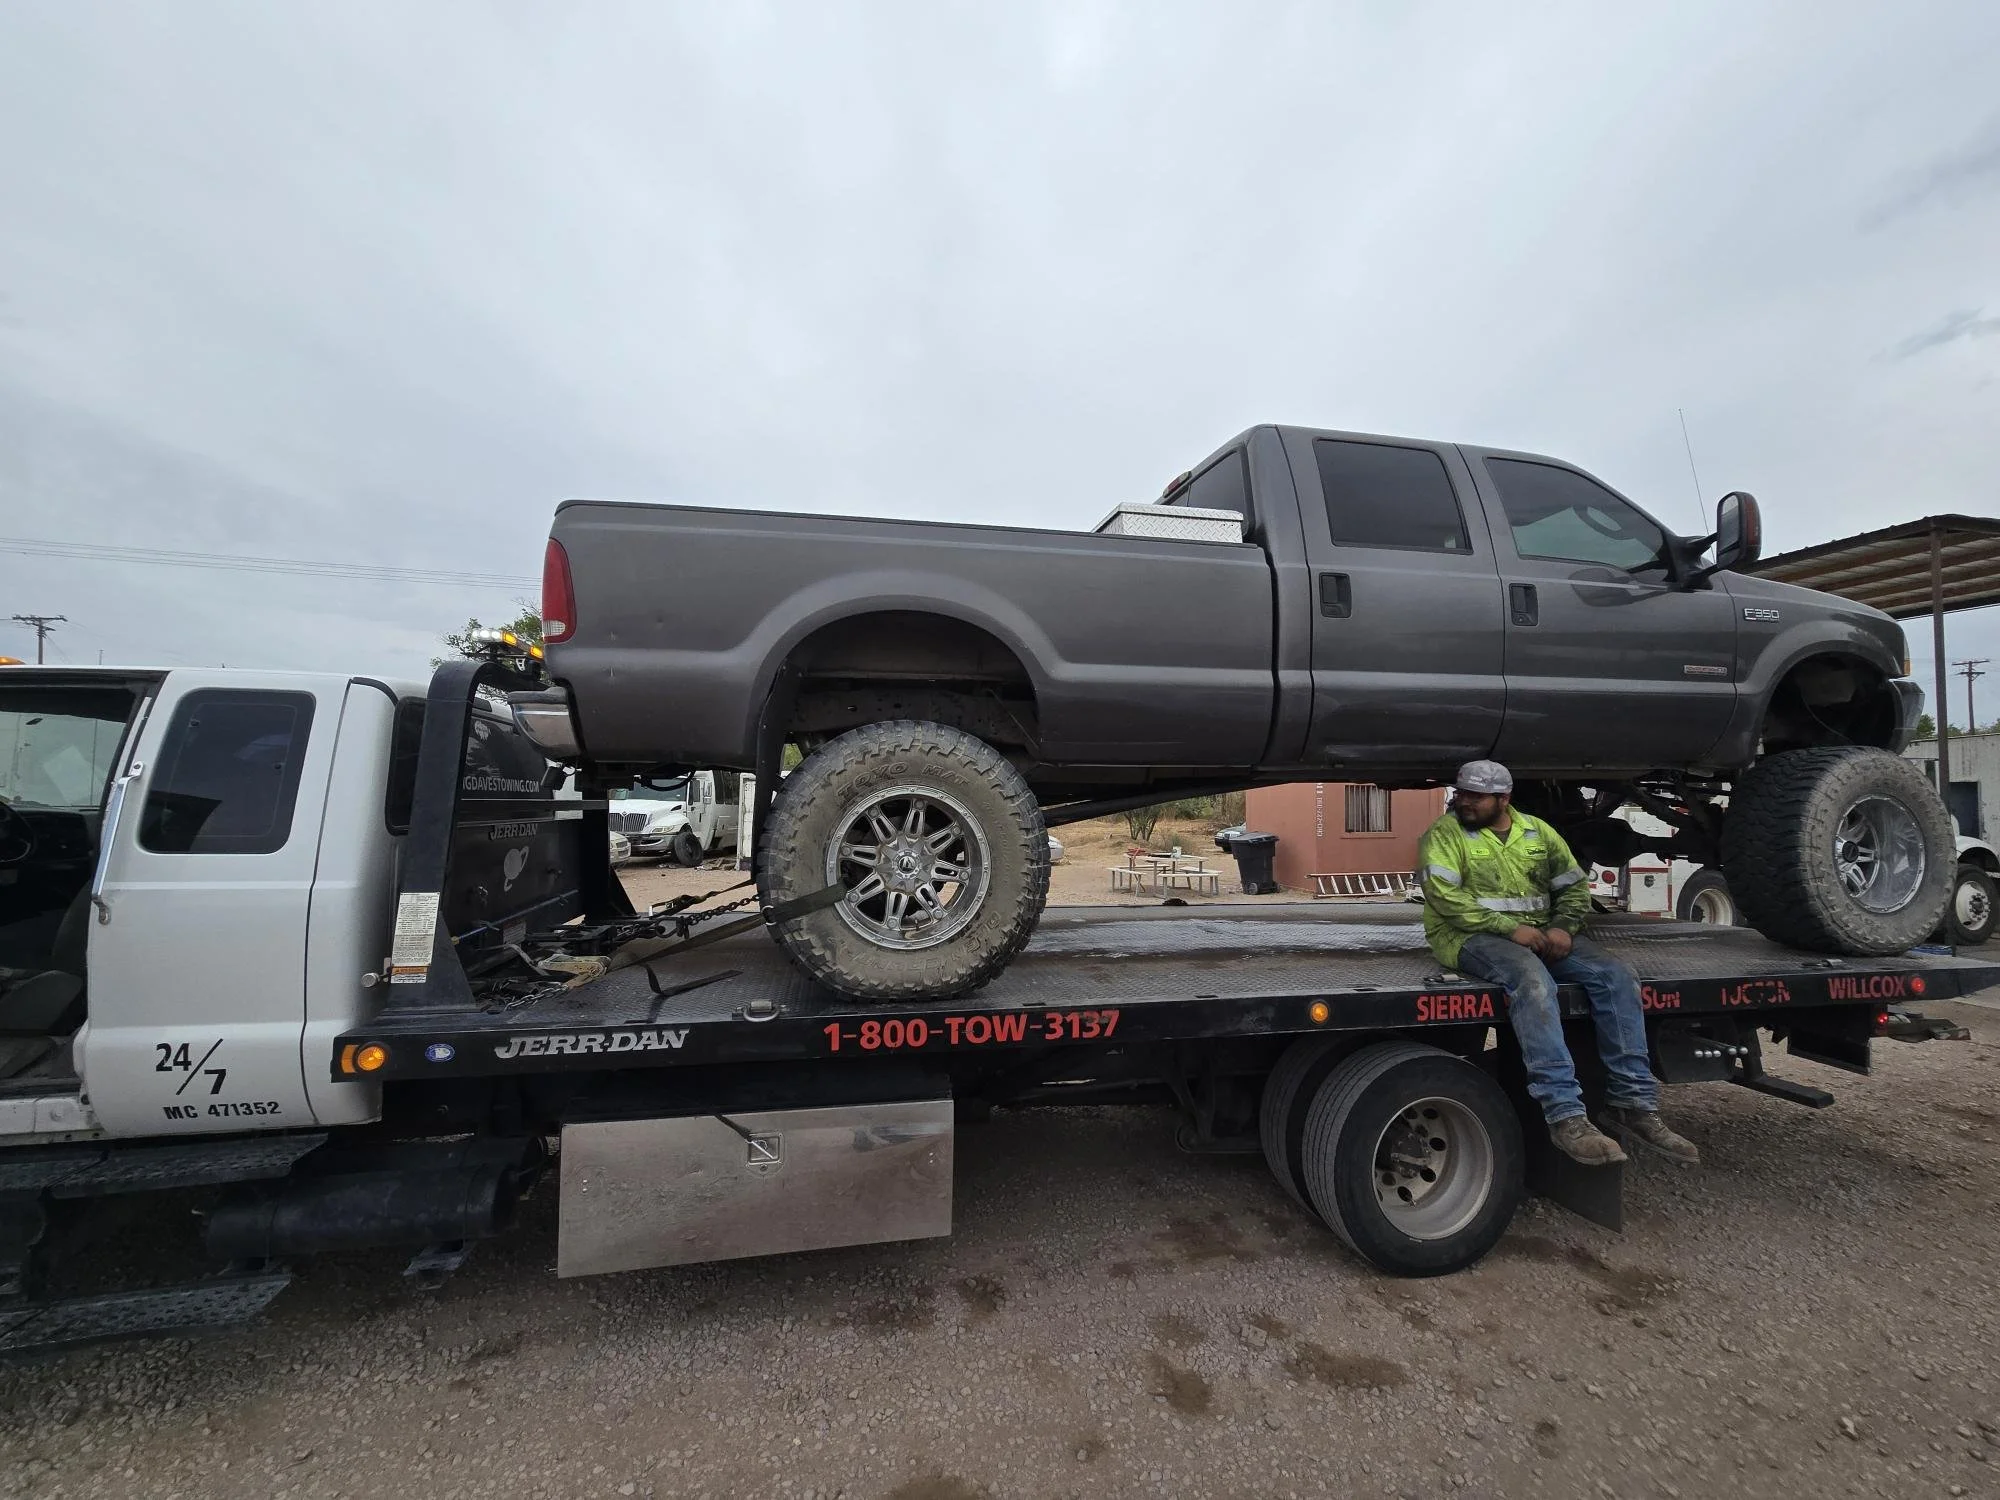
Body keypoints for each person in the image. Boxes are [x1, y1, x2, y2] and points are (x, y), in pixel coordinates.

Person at [1416, 760, 1700, 1167]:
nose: (1464, 803)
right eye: (1461, 794)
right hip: (1467, 937)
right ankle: (1565, 1115)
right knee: (1533, 983)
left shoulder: (1537, 832)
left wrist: (1565, 927)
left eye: (1476, 797)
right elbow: (1445, 897)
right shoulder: (1444, 834)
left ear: (1503, 798)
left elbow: (1572, 885)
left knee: (1616, 977)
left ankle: (1633, 1102)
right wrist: (1511, 930)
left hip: (1539, 934)